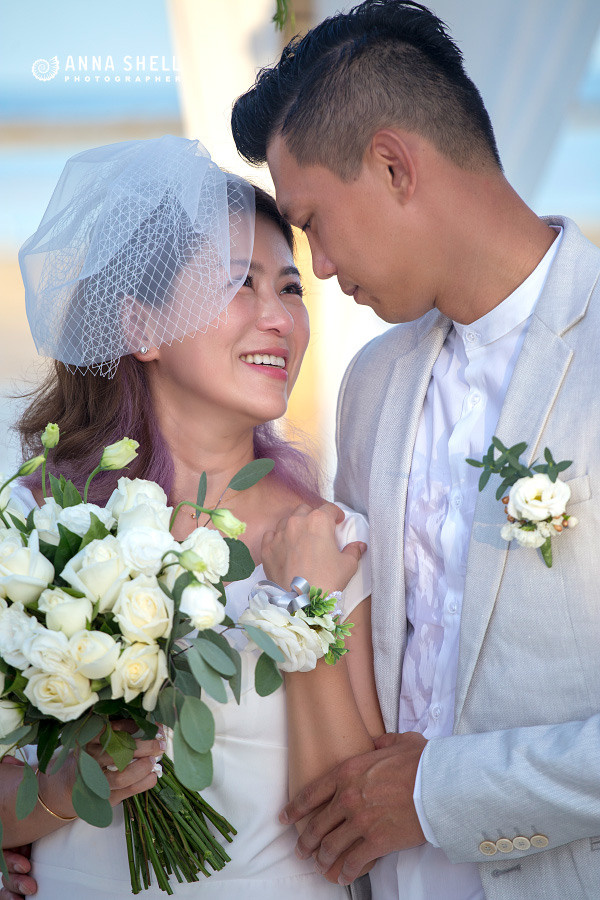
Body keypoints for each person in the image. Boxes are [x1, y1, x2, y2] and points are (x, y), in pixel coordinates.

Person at [227, 2, 600, 899]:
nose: (314, 268)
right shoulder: (372, 385)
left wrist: (440, 795)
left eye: (313, 221)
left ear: (394, 165)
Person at [0, 135, 384, 899]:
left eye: (290, 288)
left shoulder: (326, 537)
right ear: (138, 327)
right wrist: (68, 783)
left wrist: (305, 611)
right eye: (240, 283)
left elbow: (351, 833)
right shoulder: (39, 523)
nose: (279, 319)